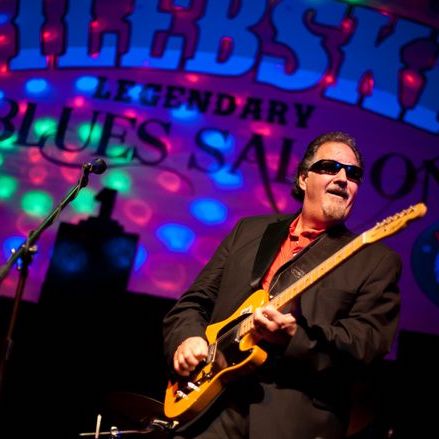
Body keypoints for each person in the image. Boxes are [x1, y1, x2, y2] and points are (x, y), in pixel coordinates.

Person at [162, 131, 401, 439]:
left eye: (353, 174)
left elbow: (366, 347)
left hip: (290, 424)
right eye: (330, 167)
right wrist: (186, 339)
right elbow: (194, 302)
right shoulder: (249, 230)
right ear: (303, 178)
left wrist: (292, 337)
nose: (343, 178)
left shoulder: (374, 260)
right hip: (208, 410)